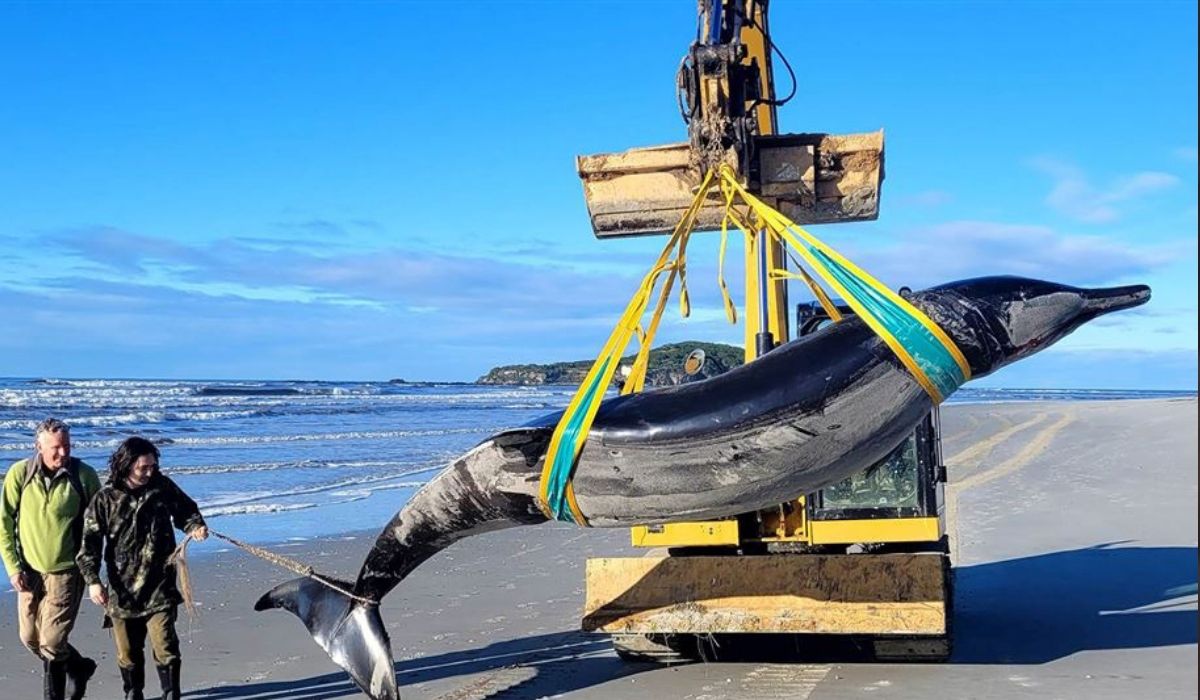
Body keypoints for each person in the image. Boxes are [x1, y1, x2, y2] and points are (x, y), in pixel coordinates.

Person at [76, 437, 208, 700]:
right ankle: (133, 693)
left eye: (153, 466)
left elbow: (186, 510)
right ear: (127, 465)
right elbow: (88, 546)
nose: (150, 472)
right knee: (127, 652)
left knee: (165, 644)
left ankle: (171, 693)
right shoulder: (104, 499)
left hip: (160, 586)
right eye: (144, 467)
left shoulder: (162, 487)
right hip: (122, 590)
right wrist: (93, 581)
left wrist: (195, 526)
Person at [0, 418, 103, 700]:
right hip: (28, 571)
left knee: (52, 641)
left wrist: (94, 574)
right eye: (56, 448)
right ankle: (79, 667)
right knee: (29, 638)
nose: (63, 453)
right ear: (39, 446)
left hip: (67, 570)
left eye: (67, 446)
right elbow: (4, 523)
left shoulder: (84, 476)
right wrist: (12, 567)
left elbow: (98, 527)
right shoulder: (20, 474)